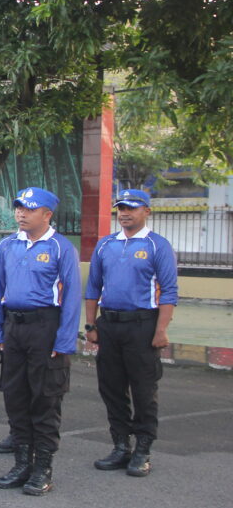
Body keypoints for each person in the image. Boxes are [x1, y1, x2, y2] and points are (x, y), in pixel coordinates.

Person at [0, 188, 80, 495]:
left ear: (47, 214)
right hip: (14, 328)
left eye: (29, 209)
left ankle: (42, 468)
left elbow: (71, 298)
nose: (21, 213)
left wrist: (64, 341)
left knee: (45, 400)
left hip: (45, 328)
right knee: (15, 396)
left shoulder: (60, 247)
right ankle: (21, 464)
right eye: (19, 208)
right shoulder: (7, 246)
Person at [85, 189, 178, 477]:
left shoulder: (157, 245)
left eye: (132, 208)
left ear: (146, 211)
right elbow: (93, 287)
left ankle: (143, 449)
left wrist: (161, 330)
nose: (125, 213)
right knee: (111, 388)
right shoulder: (105, 245)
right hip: (110, 325)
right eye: (121, 208)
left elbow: (169, 291)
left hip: (142, 326)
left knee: (143, 390)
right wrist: (91, 325)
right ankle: (121, 446)